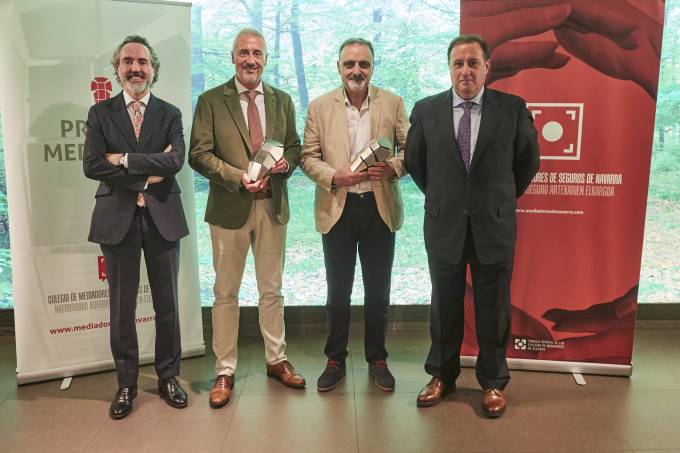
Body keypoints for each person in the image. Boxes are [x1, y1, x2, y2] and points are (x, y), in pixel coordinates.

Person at [405, 34, 540, 417]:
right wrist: (446, 199)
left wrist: (497, 199)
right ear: (450, 68)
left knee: (493, 309)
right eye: (458, 63)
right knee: (443, 306)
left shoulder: (512, 109)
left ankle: (493, 381)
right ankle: (441, 375)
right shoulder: (427, 110)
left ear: (487, 67)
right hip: (444, 225)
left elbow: (528, 162)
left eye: (473, 63)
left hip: (493, 226)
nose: (465, 70)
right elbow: (416, 162)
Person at [189, 28, 305, 409]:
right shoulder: (211, 101)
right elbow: (198, 154)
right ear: (233, 58)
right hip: (229, 209)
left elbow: (294, 146)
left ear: (266, 59)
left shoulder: (282, 100)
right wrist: (237, 177)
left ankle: (277, 359)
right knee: (226, 293)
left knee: (272, 289)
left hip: (272, 206)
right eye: (243, 53)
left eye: (257, 53)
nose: (250, 60)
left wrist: (286, 164)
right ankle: (224, 370)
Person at [83, 35, 189, 420]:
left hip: (163, 219)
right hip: (117, 220)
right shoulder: (100, 113)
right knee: (122, 308)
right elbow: (93, 165)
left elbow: (175, 161)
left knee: (167, 305)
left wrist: (124, 159)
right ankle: (126, 383)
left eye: (142, 62)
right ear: (117, 69)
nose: (135, 68)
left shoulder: (170, 113)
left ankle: (168, 377)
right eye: (127, 61)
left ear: (153, 69)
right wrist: (145, 174)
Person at [301, 38, 409, 392]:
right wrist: (335, 176)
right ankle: (335, 358)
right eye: (349, 64)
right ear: (339, 67)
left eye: (363, 64)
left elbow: (410, 149)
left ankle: (377, 359)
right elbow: (307, 157)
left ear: (372, 67)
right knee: (338, 292)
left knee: (378, 291)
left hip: (379, 208)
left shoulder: (392, 102)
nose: (356, 70)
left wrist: (393, 168)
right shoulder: (319, 107)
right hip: (338, 208)